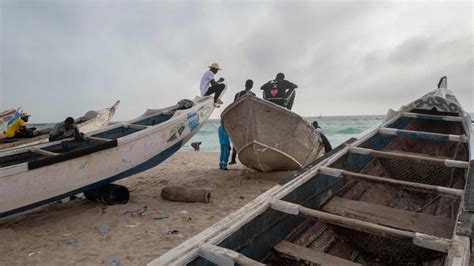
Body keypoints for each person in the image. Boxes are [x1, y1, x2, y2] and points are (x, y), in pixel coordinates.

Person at [229, 79, 255, 164]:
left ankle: (233, 159)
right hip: (248, 121)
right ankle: (250, 160)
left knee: (237, 140)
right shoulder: (253, 95)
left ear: (245, 84)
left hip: (238, 120)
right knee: (249, 141)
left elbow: (234, 106)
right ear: (252, 86)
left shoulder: (238, 94)